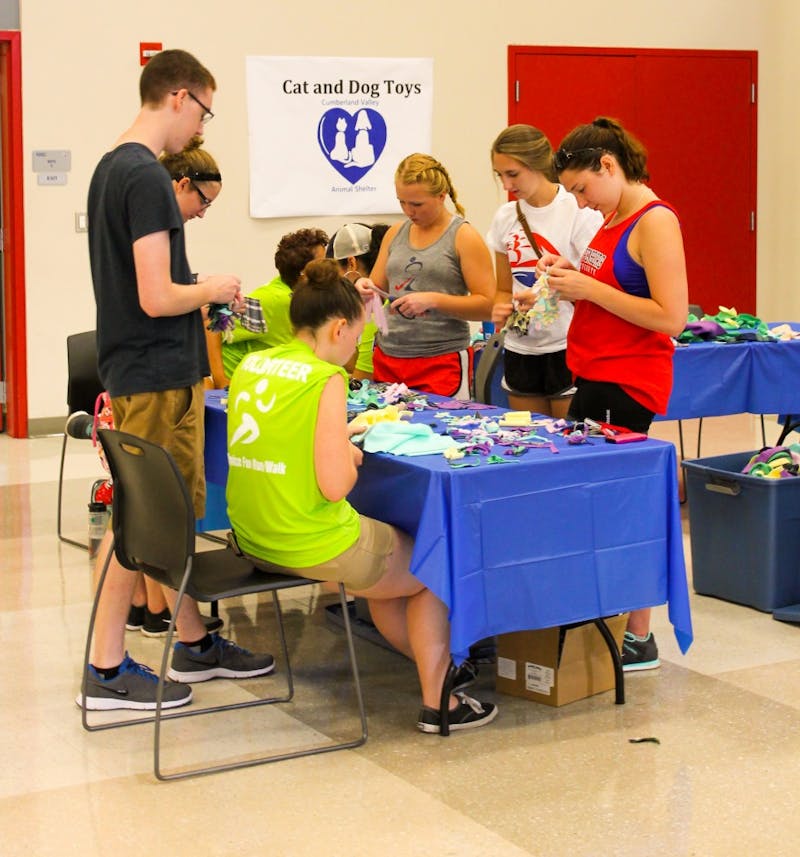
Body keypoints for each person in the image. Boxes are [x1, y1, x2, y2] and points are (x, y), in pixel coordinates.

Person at [77, 48, 275, 712]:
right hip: (157, 373)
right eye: (204, 112)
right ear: (181, 96)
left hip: (148, 367)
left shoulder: (113, 167)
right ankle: (106, 668)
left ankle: (191, 638)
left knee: (162, 519)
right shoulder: (145, 177)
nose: (200, 129)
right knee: (140, 523)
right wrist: (210, 287)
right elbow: (157, 295)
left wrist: (199, 296)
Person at [226, 258, 498, 733]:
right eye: (356, 336)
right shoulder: (324, 378)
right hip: (308, 542)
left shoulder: (254, 363)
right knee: (433, 562)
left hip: (252, 535)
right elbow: (336, 486)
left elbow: (278, 434)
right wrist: (347, 455)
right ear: (336, 328)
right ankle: (441, 704)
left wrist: (336, 434)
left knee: (392, 566)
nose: (356, 347)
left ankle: (437, 669)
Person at [534, 116, 688, 671]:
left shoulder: (655, 221)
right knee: (590, 500)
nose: (580, 201)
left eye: (582, 189)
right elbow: (614, 289)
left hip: (629, 379)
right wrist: (570, 275)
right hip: (595, 370)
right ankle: (602, 613)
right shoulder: (612, 215)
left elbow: (670, 317)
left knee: (623, 505)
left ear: (609, 166)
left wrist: (589, 287)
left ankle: (639, 635)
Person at [488, 125, 603, 417]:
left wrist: (548, 291)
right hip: (521, 347)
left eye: (512, 174)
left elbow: (596, 283)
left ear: (538, 164)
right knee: (530, 442)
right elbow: (504, 288)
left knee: (567, 444)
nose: (505, 185)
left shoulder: (578, 210)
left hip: (567, 343)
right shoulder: (505, 216)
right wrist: (503, 307)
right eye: (499, 175)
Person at [368, 153, 495, 398]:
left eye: (416, 204)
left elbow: (488, 305)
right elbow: (376, 287)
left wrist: (433, 300)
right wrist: (362, 287)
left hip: (440, 361)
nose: (408, 211)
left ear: (441, 196)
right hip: (389, 357)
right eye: (402, 202)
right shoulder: (395, 233)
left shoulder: (463, 237)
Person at [221, 228, 329, 379]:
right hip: (239, 384)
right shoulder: (277, 300)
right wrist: (220, 380)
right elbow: (210, 325)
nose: (331, 267)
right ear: (303, 274)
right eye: (323, 263)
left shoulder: (296, 292)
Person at [326, 222, 390, 380]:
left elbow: (363, 380)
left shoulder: (372, 309)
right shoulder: (385, 298)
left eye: (336, 271)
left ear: (351, 263)